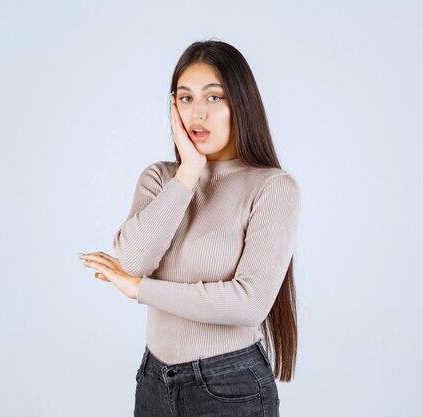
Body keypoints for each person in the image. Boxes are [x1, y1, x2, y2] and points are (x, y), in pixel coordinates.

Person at [79, 39, 301, 417]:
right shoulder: (160, 179)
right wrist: (188, 174)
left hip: (229, 386)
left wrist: (143, 291)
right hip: (153, 381)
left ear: (240, 104)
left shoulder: (272, 187)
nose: (197, 113)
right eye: (185, 98)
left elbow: (249, 303)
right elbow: (133, 261)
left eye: (214, 98)